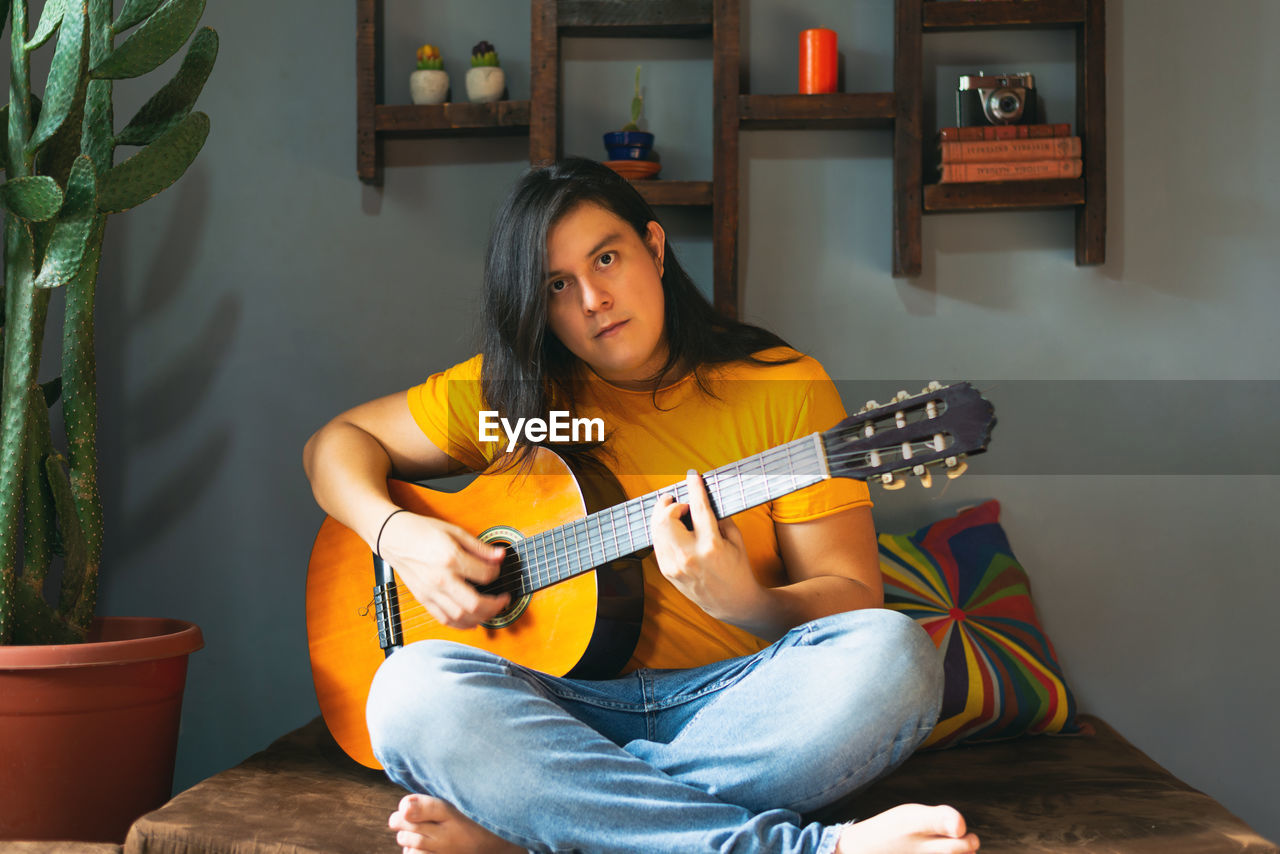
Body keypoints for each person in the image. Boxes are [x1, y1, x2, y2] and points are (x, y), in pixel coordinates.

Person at [302, 157, 980, 854]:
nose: (593, 298)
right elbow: (333, 446)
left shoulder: (783, 388)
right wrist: (398, 534)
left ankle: (541, 824)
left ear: (654, 249)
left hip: (734, 709)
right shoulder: (510, 397)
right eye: (557, 285)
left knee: (897, 657)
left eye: (606, 258)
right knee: (407, 694)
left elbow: (854, 602)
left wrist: (746, 600)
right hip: (554, 714)